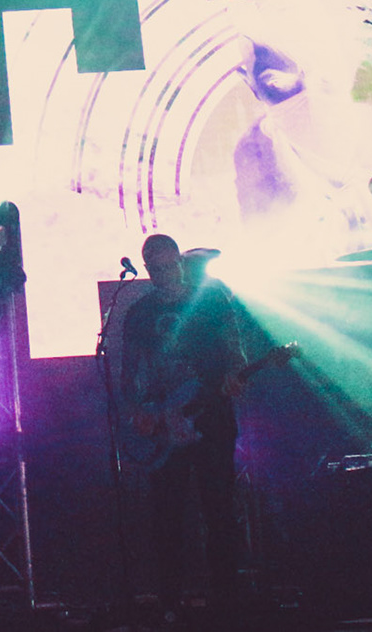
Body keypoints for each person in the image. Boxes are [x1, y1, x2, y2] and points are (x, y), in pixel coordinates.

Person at [119, 234, 248, 620]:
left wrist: (235, 375)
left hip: (211, 419)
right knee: (167, 517)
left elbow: (235, 350)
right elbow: (129, 374)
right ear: (146, 269)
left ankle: (226, 601)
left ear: (179, 261)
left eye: (168, 265)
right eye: (155, 268)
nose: (163, 274)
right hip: (164, 427)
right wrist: (140, 412)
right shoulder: (140, 314)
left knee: (219, 510)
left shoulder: (211, 301)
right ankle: (170, 602)